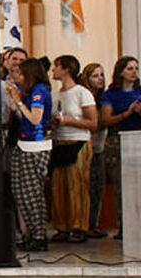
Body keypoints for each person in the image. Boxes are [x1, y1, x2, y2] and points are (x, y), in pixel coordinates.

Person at [49, 55, 98, 244]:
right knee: (58, 186)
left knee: (76, 186)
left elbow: (93, 123)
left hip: (78, 141)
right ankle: (62, 226)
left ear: (66, 69)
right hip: (59, 141)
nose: (53, 70)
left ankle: (79, 227)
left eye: (56, 67)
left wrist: (68, 121)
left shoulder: (82, 92)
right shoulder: (56, 94)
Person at [7, 58, 54, 252]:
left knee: (33, 193)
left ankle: (39, 234)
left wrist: (18, 100)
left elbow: (36, 119)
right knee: (21, 192)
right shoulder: (29, 93)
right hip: (23, 142)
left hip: (36, 144)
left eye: (20, 74)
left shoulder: (39, 91)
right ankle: (29, 233)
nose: (17, 77)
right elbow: (24, 118)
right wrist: (14, 104)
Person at [101, 56, 141, 239]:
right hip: (117, 140)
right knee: (121, 185)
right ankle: (123, 226)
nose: (134, 72)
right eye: (129, 68)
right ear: (121, 71)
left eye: (136, 68)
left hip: (140, 139)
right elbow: (105, 120)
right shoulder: (110, 94)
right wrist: (126, 114)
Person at [79, 63, 109, 239]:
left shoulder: (103, 98)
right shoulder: (84, 97)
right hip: (86, 145)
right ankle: (84, 224)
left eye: (102, 75)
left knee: (98, 187)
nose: (100, 79)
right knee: (86, 186)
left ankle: (93, 223)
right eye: (95, 76)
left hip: (100, 146)